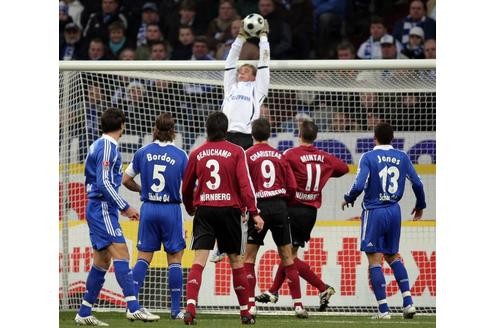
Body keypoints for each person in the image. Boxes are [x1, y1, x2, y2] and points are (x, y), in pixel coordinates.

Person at [75, 108, 160, 326]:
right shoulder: (107, 147)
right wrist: (125, 207)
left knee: (102, 261)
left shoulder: (98, 144)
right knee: (122, 252)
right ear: (122, 125)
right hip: (102, 208)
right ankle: (134, 307)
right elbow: (104, 183)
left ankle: (84, 312)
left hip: (99, 208)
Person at [256, 120, 349, 311]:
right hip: (310, 213)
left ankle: (323, 287)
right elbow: (344, 168)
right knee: (289, 256)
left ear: (299, 134)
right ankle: (274, 291)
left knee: (288, 256)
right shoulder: (323, 157)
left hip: (293, 208)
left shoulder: (291, 154)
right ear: (315, 137)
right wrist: (325, 171)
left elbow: (278, 169)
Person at [181, 111, 264, 325]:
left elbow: (186, 187)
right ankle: (245, 313)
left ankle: (190, 308)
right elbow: (245, 185)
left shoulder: (197, 153)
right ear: (226, 131)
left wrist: (191, 208)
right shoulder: (237, 151)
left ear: (207, 130)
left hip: (205, 210)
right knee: (236, 261)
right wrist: (254, 212)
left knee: (199, 261)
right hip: (229, 211)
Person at [341, 122, 426, 320]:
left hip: (374, 211)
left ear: (375, 137)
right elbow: (418, 183)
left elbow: (359, 184)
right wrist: (420, 205)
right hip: (394, 211)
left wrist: (349, 197)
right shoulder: (402, 157)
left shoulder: (369, 157)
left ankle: (384, 310)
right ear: (392, 138)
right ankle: (408, 302)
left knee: (374, 259)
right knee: (393, 255)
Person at [123, 113, 188, 320]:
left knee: (143, 258)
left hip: (149, 208)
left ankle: (132, 307)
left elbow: (125, 180)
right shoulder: (180, 155)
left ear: (155, 130)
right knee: (175, 259)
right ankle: (176, 310)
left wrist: (143, 189)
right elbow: (188, 187)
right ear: (173, 132)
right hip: (170, 209)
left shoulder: (143, 152)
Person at [244, 118, 308, 318]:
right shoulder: (279, 155)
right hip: (279, 206)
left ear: (252, 135)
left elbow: (244, 185)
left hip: (259, 209)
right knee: (288, 257)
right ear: (269, 134)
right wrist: (283, 203)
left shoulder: (247, 155)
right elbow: (292, 187)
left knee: (249, 258)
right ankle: (298, 305)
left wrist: (248, 208)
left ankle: (250, 305)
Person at [221, 15, 270, 150]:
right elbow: (230, 62)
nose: (241, 73)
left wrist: (263, 37)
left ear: (254, 77)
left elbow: (264, 63)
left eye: (246, 71)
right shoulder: (231, 86)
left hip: (246, 136)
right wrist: (240, 37)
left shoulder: (257, 89)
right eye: (240, 71)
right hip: (225, 134)